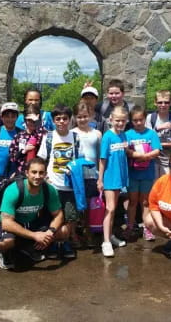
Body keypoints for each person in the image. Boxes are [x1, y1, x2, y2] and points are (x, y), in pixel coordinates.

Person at [0, 157, 69, 270]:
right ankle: (6, 255)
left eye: (41, 173)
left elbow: (58, 215)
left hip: (30, 222)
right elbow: (6, 223)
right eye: (34, 172)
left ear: (45, 174)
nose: (37, 176)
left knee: (64, 231)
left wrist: (50, 233)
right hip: (11, 224)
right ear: (27, 173)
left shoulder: (49, 190)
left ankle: (31, 249)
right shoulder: (13, 190)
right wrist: (35, 235)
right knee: (6, 242)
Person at [37, 104, 80, 258]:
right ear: (53, 120)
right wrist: (44, 178)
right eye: (58, 119)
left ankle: (66, 241)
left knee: (69, 216)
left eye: (64, 118)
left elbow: (79, 160)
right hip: (52, 184)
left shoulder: (75, 137)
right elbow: (41, 159)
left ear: (70, 120)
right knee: (52, 216)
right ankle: (53, 243)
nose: (61, 121)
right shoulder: (48, 137)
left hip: (70, 185)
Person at [125, 106, 161, 242]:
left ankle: (147, 228)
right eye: (135, 120)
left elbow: (157, 150)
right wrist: (134, 154)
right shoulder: (128, 134)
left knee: (145, 202)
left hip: (147, 173)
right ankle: (130, 226)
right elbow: (126, 149)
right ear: (131, 121)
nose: (138, 123)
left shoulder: (151, 134)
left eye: (141, 120)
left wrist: (145, 156)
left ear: (145, 119)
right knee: (133, 201)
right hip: (133, 173)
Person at [98, 106, 129, 257]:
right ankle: (105, 242)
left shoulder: (123, 135)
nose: (120, 123)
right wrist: (100, 179)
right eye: (117, 120)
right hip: (109, 177)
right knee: (109, 209)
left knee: (114, 208)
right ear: (111, 120)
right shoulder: (107, 136)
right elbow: (102, 159)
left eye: (123, 121)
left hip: (119, 177)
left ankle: (110, 236)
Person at [72, 101, 102, 247]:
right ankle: (77, 233)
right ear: (75, 118)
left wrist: (100, 177)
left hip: (92, 174)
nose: (82, 119)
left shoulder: (97, 134)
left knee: (90, 205)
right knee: (79, 205)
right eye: (79, 117)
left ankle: (88, 231)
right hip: (77, 175)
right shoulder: (72, 134)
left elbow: (100, 157)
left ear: (90, 116)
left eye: (85, 116)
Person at [146, 90, 171, 180]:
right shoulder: (150, 118)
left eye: (166, 102)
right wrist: (158, 128)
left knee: (168, 184)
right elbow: (147, 138)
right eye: (160, 102)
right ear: (155, 103)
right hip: (153, 159)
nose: (163, 105)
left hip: (169, 158)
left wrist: (163, 145)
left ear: (170, 103)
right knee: (154, 185)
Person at [9, 104, 47, 176]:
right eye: (29, 120)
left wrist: (38, 122)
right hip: (21, 173)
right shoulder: (19, 136)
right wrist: (24, 150)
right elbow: (12, 157)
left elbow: (44, 136)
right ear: (25, 120)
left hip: (38, 175)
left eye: (34, 120)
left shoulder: (42, 134)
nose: (32, 122)